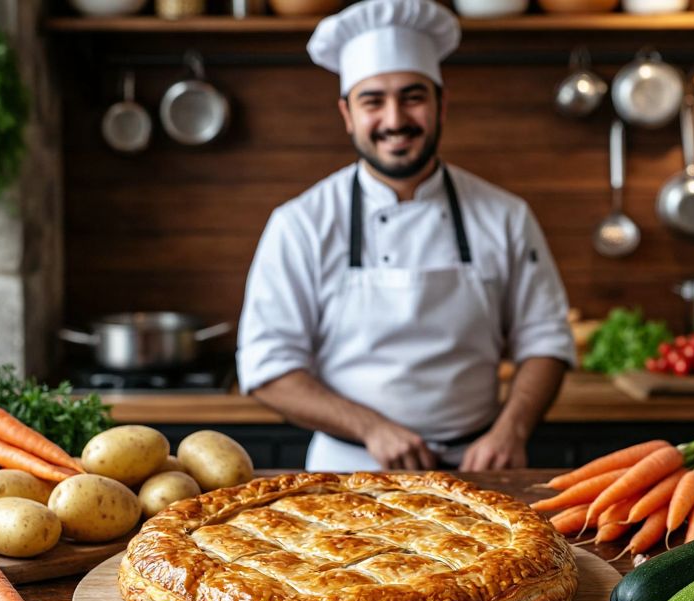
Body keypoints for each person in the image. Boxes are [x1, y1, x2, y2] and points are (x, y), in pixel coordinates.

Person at [236, 0, 575, 472]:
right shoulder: (300, 223)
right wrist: (372, 428)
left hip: (481, 467)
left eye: (413, 96)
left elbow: (546, 340)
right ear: (347, 113)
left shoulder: (505, 215)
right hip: (346, 470)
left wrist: (511, 430)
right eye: (373, 101)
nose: (395, 119)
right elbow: (266, 366)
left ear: (441, 103)